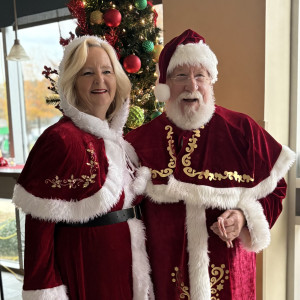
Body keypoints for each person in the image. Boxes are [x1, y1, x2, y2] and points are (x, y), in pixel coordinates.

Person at [125, 29, 296, 300]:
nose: (192, 86)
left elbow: (275, 190)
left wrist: (243, 217)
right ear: (166, 84)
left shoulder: (242, 131)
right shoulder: (138, 143)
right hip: (165, 278)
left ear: (211, 81)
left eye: (200, 75)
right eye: (181, 76)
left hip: (232, 279)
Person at [12, 35, 153, 300]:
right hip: (86, 273)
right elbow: (39, 229)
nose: (100, 81)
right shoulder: (60, 140)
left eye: (107, 71)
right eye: (88, 73)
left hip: (128, 272)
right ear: (72, 83)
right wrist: (46, 291)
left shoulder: (122, 145)